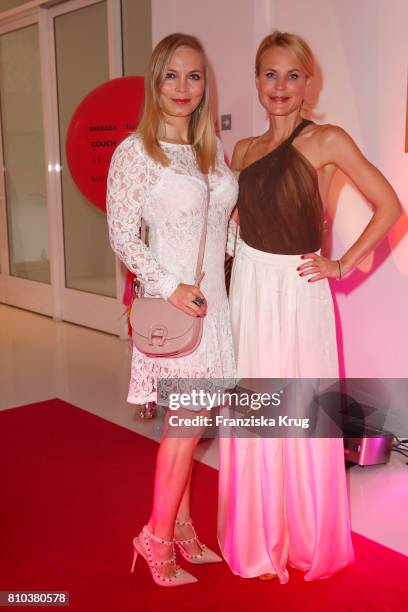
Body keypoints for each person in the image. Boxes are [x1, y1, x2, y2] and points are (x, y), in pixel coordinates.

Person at [218, 31, 401, 583]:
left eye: (292, 76)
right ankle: (255, 535)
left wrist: (342, 265)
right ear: (256, 80)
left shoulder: (326, 140)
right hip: (249, 290)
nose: (280, 87)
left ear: (308, 83)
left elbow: (389, 205)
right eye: (270, 74)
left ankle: (302, 533)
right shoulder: (243, 151)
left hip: (298, 293)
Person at [106, 33, 238, 587]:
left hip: (217, 308)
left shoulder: (210, 152)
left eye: (195, 76)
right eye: (172, 75)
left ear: (205, 85)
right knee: (183, 430)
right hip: (178, 309)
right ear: (155, 81)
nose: (183, 88)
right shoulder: (136, 152)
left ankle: (182, 528)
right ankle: (156, 540)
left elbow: (221, 228)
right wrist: (169, 284)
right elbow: (122, 236)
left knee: (195, 425)